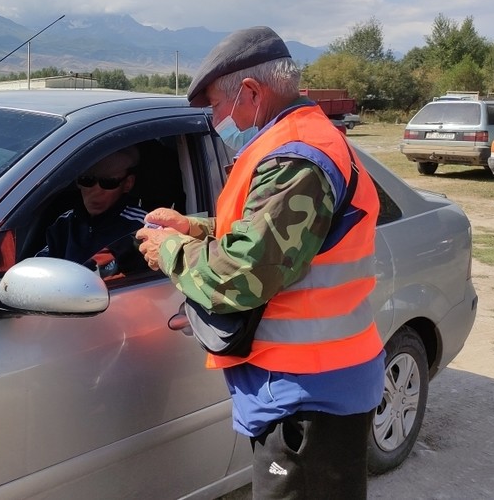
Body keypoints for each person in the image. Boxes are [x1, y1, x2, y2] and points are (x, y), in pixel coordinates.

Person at [136, 26, 384, 499]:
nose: (214, 120)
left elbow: (242, 275)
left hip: (309, 396)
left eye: (215, 106)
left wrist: (168, 249)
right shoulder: (297, 141)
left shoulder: (296, 161)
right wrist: (196, 229)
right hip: (308, 386)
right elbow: (275, 235)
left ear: (250, 92)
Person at [37, 147, 147, 275]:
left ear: (128, 183)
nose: (96, 192)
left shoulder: (141, 228)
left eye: (108, 182)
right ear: (77, 181)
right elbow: (41, 268)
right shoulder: (65, 223)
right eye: (87, 180)